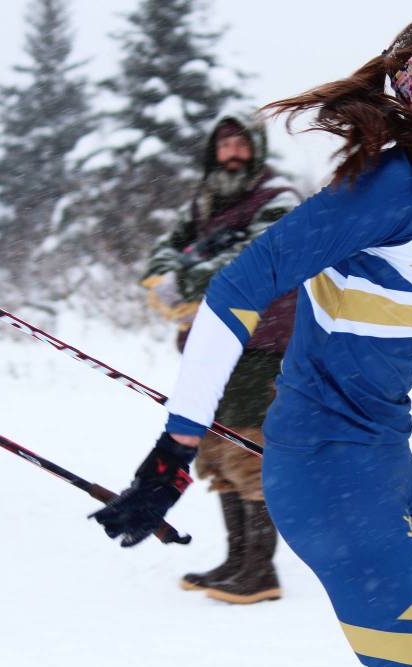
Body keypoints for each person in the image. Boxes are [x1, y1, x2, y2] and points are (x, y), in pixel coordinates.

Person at [91, 9, 412, 667]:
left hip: (385, 458)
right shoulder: (397, 186)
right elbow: (233, 290)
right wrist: (174, 453)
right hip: (328, 468)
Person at [141, 110, 299, 604]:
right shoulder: (205, 202)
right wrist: (170, 274)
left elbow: (256, 256)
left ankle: (261, 571)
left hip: (261, 344)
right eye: (224, 145)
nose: (232, 153)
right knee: (212, 454)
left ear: (256, 149)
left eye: (240, 144)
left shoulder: (278, 199)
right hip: (206, 347)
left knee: (247, 451)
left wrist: (187, 279)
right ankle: (237, 560)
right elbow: (163, 251)